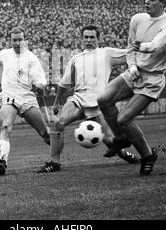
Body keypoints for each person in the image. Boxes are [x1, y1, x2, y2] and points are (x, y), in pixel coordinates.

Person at [97, 0, 166, 175]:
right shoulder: (137, 19)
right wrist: (132, 66)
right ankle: (122, 138)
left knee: (124, 118)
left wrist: (141, 47)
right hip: (134, 72)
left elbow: (155, 46)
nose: (146, 1)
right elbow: (130, 49)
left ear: (163, 3)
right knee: (103, 99)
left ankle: (147, 156)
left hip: (152, 79)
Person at [38, 24, 139, 173]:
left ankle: (125, 153)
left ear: (98, 38)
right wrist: (56, 103)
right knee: (58, 123)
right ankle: (54, 162)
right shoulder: (76, 59)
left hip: (99, 103)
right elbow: (64, 83)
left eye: (92, 37)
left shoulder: (107, 54)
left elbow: (130, 54)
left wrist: (143, 47)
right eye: (86, 37)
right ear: (82, 39)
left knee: (111, 140)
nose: (89, 40)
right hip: (78, 99)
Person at [0, 26, 51, 176]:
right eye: (14, 40)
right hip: (9, 95)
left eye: (20, 40)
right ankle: (2, 161)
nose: (17, 43)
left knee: (45, 133)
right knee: (6, 126)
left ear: (25, 40)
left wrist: (41, 83)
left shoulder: (31, 58)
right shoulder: (5, 54)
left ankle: (55, 157)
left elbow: (41, 77)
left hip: (26, 97)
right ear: (10, 40)